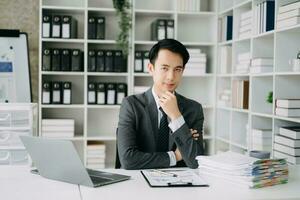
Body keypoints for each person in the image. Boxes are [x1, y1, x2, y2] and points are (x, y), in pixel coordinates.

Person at [117, 39, 204, 169]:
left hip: (179, 185)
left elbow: (195, 162)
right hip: (139, 185)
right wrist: (175, 156)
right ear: (151, 68)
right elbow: (128, 160)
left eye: (177, 69)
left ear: (183, 71)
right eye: (165, 68)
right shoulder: (131, 105)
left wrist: (176, 117)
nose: (171, 76)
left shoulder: (194, 109)